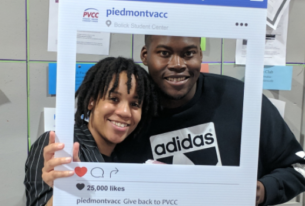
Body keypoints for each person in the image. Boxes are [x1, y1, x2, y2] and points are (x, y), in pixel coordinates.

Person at [115, 35, 305, 206]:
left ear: (200, 55)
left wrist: (262, 191)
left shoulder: (242, 100)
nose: (177, 64)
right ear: (145, 55)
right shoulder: (125, 113)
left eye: (189, 53)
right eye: (164, 53)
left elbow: (299, 168)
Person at [24, 57, 157, 206]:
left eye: (134, 104)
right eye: (114, 99)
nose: (125, 112)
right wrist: (67, 190)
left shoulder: (135, 155)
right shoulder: (61, 146)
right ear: (91, 102)